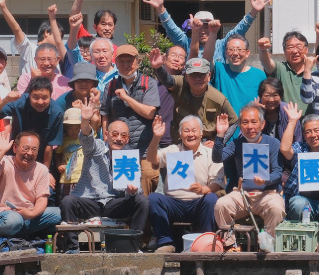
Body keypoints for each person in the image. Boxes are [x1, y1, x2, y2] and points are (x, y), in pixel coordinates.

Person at [58, 101, 150, 252]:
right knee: (68, 201)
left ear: (127, 139)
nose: (118, 138)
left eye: (123, 136)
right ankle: (72, 247)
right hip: (90, 201)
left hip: (114, 203)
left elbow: (137, 187)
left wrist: (132, 191)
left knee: (142, 201)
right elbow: (87, 139)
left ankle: (134, 246)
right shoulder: (97, 147)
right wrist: (85, 121)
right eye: (114, 134)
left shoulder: (130, 157)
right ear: (106, 135)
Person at [212, 105, 292, 250]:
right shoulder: (237, 143)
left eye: (254, 122)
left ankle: (268, 246)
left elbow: (277, 172)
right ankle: (230, 245)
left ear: (262, 124)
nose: (250, 126)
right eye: (245, 122)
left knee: (276, 208)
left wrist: (266, 180)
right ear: (240, 125)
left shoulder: (273, 143)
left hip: (267, 194)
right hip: (242, 194)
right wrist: (220, 135)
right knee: (221, 204)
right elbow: (218, 158)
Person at [144, 114, 223, 253]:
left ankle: (205, 243)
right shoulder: (172, 150)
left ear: (201, 133)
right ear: (180, 134)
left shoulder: (210, 153)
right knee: (154, 198)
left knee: (211, 199)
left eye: (194, 130)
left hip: (198, 203)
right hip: (173, 203)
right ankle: (165, 242)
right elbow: (152, 159)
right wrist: (156, 137)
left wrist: (204, 189)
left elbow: (217, 182)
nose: (190, 134)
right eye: (186, 131)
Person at [143, 0, 267, 63]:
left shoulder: (221, 45)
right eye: (199, 26)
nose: (202, 30)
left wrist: (254, 12)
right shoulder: (186, 43)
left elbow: (239, 30)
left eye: (207, 26)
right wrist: (160, 9)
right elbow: (172, 29)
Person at [0, 127, 61, 242]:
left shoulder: (42, 169)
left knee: (58, 213)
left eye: (34, 149)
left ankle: (18, 235)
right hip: (5, 216)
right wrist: (0, 152)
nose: (30, 153)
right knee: (14, 220)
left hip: (29, 216)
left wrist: (31, 214)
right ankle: (10, 233)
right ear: (15, 148)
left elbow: (41, 200)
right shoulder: (4, 162)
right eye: (26, 148)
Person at [151, 53, 237, 142]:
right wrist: (158, 68)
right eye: (193, 75)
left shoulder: (218, 99)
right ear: (186, 77)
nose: (198, 78)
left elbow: (234, 122)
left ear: (209, 76)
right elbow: (168, 80)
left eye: (202, 74)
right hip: (180, 143)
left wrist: (217, 142)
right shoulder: (181, 84)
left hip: (205, 145)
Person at [0, 77, 65, 168]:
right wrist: (5, 100)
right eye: (35, 97)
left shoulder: (57, 112)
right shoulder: (20, 102)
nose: (40, 102)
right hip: (15, 155)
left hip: (38, 159)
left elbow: (49, 145)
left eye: (45, 98)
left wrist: (45, 170)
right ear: (29, 95)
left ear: (50, 96)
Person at [102, 44, 160, 153]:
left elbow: (150, 113)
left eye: (129, 61)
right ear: (116, 63)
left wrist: (126, 98)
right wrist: (106, 137)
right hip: (119, 148)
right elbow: (105, 115)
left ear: (138, 62)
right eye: (121, 61)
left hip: (144, 149)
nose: (125, 65)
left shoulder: (149, 83)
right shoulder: (110, 86)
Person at [211, 35, 267, 117]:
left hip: (250, 124)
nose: (235, 53)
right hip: (225, 124)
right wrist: (213, 33)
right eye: (231, 49)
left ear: (247, 53)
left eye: (239, 49)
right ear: (225, 53)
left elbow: (266, 101)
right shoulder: (219, 69)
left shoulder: (259, 75)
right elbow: (207, 59)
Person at [258, 31, 311, 110]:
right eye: (290, 47)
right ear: (284, 51)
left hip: (312, 117)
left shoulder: (314, 69)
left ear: (307, 49)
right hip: (285, 116)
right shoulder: (280, 68)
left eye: (299, 46)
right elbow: (267, 63)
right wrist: (263, 50)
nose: (295, 51)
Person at [152, 44, 187, 147]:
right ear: (165, 58)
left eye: (181, 57)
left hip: (178, 141)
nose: (176, 59)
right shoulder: (153, 84)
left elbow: (169, 81)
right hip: (155, 139)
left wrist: (158, 68)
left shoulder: (185, 80)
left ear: (184, 64)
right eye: (173, 55)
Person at [258, 77, 302, 149]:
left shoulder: (289, 111)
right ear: (260, 96)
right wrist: (258, 113)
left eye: (275, 95)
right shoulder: (254, 111)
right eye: (267, 96)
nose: (271, 100)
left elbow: (298, 142)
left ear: (281, 96)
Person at [53, 107, 86, 194]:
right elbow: (58, 154)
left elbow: (95, 123)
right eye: (70, 128)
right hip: (66, 178)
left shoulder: (86, 138)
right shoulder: (63, 140)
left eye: (77, 128)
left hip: (82, 177)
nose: (74, 131)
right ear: (65, 127)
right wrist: (59, 165)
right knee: (66, 199)